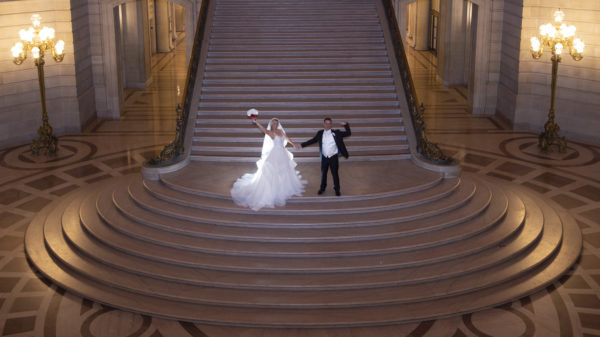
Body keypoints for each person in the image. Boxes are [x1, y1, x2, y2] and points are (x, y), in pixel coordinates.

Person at [230, 117, 306, 211]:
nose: (275, 125)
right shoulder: (271, 132)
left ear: (278, 124)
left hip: (283, 154)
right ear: (271, 124)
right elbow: (263, 129)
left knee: (284, 171)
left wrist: (294, 144)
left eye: (276, 123)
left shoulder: (280, 131)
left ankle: (283, 189)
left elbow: (287, 138)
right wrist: (256, 122)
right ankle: (273, 191)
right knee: (272, 172)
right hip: (274, 154)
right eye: (273, 123)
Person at [297, 117, 351, 196]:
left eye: (329, 123)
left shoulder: (337, 133)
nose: (327, 125)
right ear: (323, 124)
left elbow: (348, 133)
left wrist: (346, 125)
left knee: (335, 174)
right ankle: (322, 188)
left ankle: (337, 189)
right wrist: (301, 145)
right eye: (326, 123)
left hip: (333, 157)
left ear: (331, 125)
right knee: (323, 174)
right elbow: (312, 141)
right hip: (324, 157)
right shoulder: (320, 133)